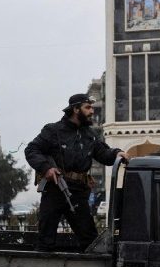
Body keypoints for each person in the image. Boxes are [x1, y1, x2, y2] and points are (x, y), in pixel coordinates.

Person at [25, 93, 130, 252]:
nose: (92, 111)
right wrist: (46, 168)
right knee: (46, 240)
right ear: (75, 109)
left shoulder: (89, 135)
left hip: (78, 192)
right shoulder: (53, 130)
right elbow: (32, 150)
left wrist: (116, 153)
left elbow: (103, 153)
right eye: (87, 107)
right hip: (55, 189)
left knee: (90, 239)